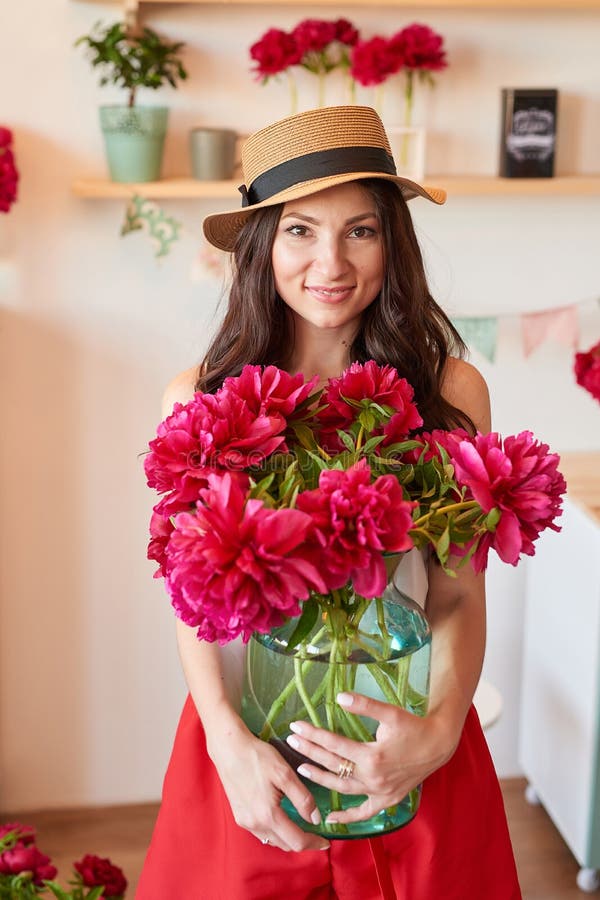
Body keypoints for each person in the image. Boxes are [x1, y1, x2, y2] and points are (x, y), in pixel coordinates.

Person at [136, 105, 522, 900]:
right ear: (261, 245)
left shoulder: (449, 392)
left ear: (394, 242)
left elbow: (456, 591)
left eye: (362, 231)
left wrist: (441, 732)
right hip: (248, 742)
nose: (332, 262)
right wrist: (226, 742)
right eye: (301, 230)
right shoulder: (199, 399)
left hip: (405, 732)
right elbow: (192, 599)